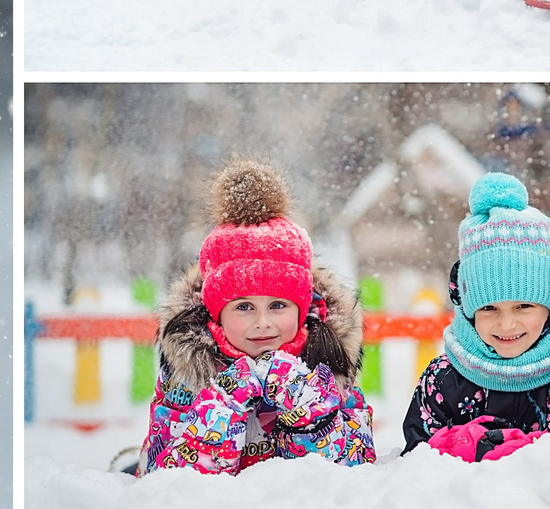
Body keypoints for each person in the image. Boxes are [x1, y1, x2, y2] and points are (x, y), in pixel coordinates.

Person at [143, 160, 376, 473]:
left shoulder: (326, 363)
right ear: (215, 313)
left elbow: (357, 469)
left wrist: (309, 413)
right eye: (244, 307)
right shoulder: (189, 376)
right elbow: (164, 478)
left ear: (302, 309)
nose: (263, 322)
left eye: (278, 306)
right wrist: (223, 406)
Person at [402, 175, 550, 459]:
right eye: (489, 308)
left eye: (523, 306)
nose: (506, 324)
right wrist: (461, 446)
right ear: (469, 310)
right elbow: (416, 461)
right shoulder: (444, 380)